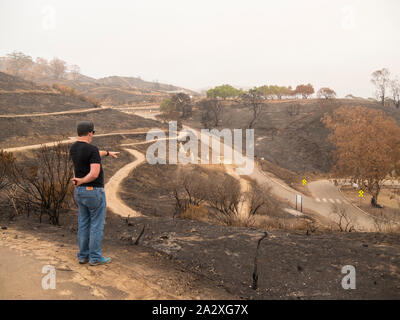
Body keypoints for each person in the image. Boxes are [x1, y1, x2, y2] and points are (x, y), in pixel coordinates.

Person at [69, 121, 119, 266]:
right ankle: (96, 258)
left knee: (83, 224)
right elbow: (94, 174)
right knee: (96, 225)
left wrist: (109, 153)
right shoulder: (91, 149)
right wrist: (83, 181)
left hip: (79, 193)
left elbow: (97, 154)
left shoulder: (74, 148)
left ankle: (83, 256)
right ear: (90, 133)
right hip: (93, 192)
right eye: (93, 133)